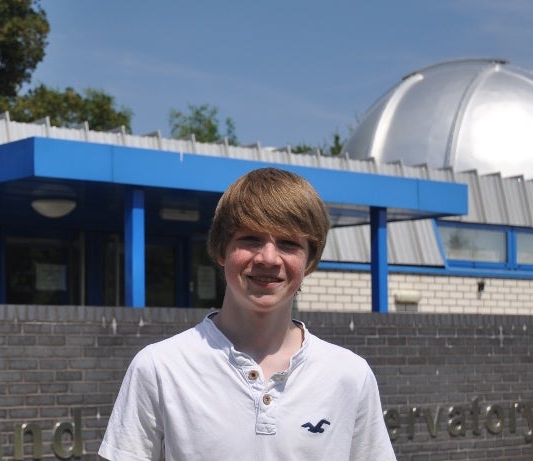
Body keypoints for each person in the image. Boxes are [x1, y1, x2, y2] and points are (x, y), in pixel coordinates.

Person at [98, 167, 396, 460]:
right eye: (251, 239)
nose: (268, 258)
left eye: (289, 243)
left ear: (310, 261)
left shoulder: (350, 376)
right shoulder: (159, 368)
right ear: (221, 250)